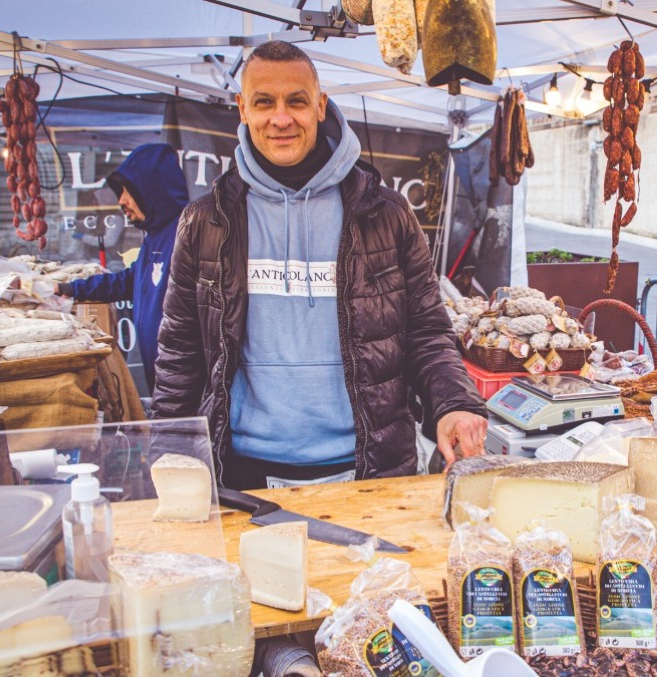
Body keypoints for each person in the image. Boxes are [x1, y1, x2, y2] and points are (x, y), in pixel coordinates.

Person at [151, 40, 487, 489]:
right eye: (264, 102)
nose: (281, 118)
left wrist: (454, 403)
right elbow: (180, 351)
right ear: (242, 109)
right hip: (243, 472)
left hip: (370, 468)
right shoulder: (205, 221)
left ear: (321, 105)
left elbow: (427, 330)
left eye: (297, 101)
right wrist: (167, 450)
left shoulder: (384, 214)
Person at [58, 143, 188, 391]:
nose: (122, 201)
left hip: (184, 383)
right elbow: (131, 281)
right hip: (162, 377)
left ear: (151, 188)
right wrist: (70, 288)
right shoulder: (155, 235)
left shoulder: (187, 235)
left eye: (127, 190)